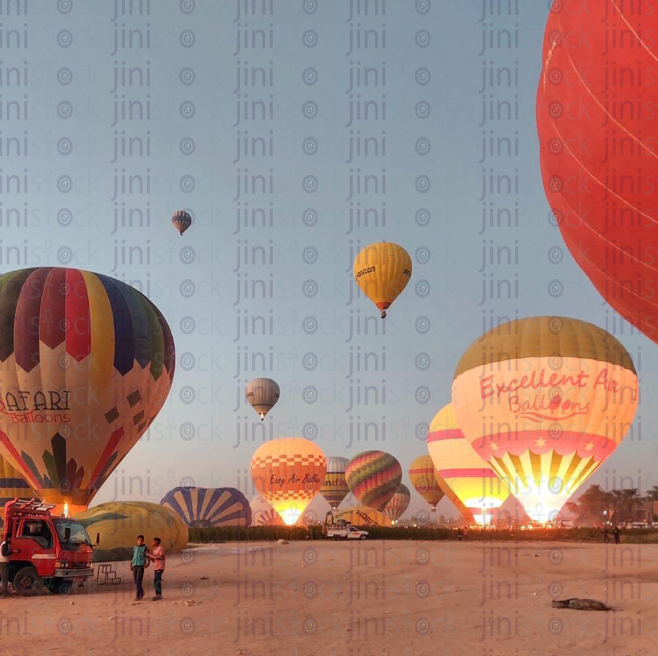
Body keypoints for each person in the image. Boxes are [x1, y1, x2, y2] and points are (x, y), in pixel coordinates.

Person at [130, 535, 149, 601]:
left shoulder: (145, 548)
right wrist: (131, 564)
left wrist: (148, 563)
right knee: (136, 580)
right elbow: (134, 556)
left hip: (141, 566)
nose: (140, 541)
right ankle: (142, 591)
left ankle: (138, 595)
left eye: (141, 540)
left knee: (138, 580)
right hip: (135, 565)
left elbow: (147, 555)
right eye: (139, 540)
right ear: (137, 541)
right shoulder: (135, 547)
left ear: (143, 541)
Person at [146, 537, 165, 601]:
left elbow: (161, 557)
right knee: (156, 581)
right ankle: (158, 594)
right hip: (156, 567)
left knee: (156, 580)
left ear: (156, 542)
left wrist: (151, 555)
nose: (152, 542)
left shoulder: (160, 548)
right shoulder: (154, 550)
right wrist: (148, 555)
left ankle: (159, 595)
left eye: (153, 541)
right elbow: (154, 560)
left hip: (160, 567)